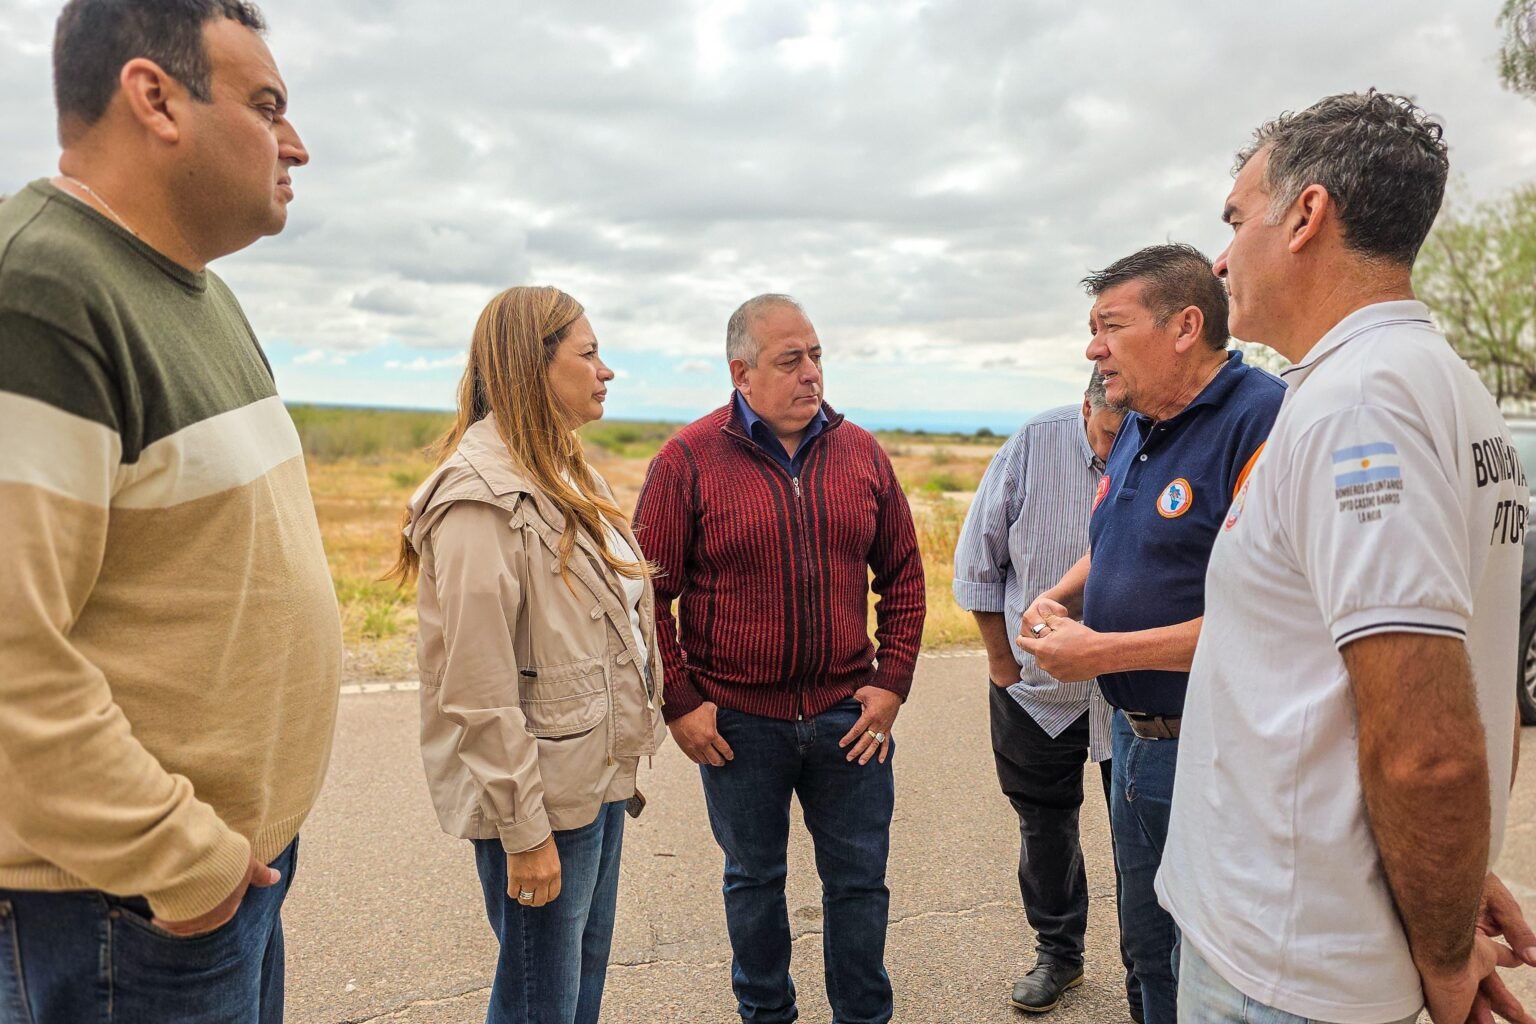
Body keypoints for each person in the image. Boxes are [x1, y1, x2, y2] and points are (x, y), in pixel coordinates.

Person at [1158, 91, 1536, 1024]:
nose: (1220, 257)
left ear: (1307, 216)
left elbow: (1430, 749)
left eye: (1237, 219)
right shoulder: (1438, 385)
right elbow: (1439, 683)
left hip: (1286, 967)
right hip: (1319, 938)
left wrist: (1446, 952)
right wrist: (1450, 875)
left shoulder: (1358, 406)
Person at [0, 2, 339, 1022]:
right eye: (266, 105)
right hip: (122, 909)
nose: (297, 145)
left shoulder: (197, 291)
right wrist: (182, 863)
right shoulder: (44, 290)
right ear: (154, 98)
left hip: (217, 886)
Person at [631, 293, 925, 1024]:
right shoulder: (687, 461)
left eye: (816, 356)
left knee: (860, 884)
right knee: (754, 882)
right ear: (742, 372)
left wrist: (890, 686)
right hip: (737, 725)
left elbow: (905, 578)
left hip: (847, 720)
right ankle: (766, 1016)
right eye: (790, 361)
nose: (811, 375)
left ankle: (864, 1017)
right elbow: (645, 596)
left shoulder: (861, 453)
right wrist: (681, 703)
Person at [1015, 244, 1285, 1024]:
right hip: (1133, 741)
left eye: (1110, 326)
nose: (1093, 348)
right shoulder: (1139, 420)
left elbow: (1268, 618)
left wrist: (1097, 652)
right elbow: (1118, 540)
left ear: (1185, 326)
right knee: (1146, 950)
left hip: (1213, 744)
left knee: (1209, 959)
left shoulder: (1258, 419)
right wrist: (1059, 592)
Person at [392, 286, 666, 1024]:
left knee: (573, 995)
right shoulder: (480, 499)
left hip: (593, 775)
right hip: (539, 796)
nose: (606, 371)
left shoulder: (566, 470)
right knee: (537, 1003)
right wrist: (524, 832)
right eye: (588, 353)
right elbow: (476, 686)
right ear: (532, 365)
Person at [953, 370, 1140, 1017]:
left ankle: (1149, 970)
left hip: (1134, 693)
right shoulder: (1034, 444)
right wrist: (1003, 665)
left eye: (1136, 433)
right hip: (1035, 692)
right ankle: (1059, 954)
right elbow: (977, 561)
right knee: (1045, 824)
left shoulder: (1160, 445)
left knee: (1141, 833)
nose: (1123, 451)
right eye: (1112, 433)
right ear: (1087, 407)